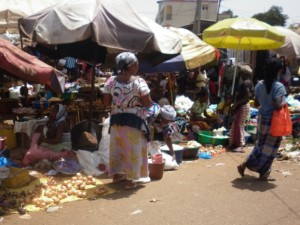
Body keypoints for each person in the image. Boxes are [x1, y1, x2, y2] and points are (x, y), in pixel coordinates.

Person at [103, 52, 153, 190]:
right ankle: (131, 180)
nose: (138, 65)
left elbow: (106, 101)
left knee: (117, 148)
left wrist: (119, 104)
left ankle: (117, 175)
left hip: (117, 121)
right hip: (134, 122)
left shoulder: (111, 81)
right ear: (130, 66)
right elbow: (147, 103)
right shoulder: (138, 82)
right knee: (133, 150)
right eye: (136, 63)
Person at [237, 57, 287, 181]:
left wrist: (266, 104)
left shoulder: (259, 84)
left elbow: (257, 103)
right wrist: (284, 102)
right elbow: (277, 105)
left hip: (262, 119)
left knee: (260, 145)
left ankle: (263, 173)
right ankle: (247, 164)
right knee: (270, 149)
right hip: (274, 122)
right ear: (278, 70)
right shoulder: (279, 86)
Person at [228, 65, 253, 152]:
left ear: (244, 74)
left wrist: (236, 104)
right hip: (242, 106)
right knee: (236, 124)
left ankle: (240, 145)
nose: (240, 74)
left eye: (241, 73)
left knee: (239, 125)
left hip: (242, 106)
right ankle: (235, 143)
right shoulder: (249, 82)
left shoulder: (245, 83)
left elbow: (247, 96)